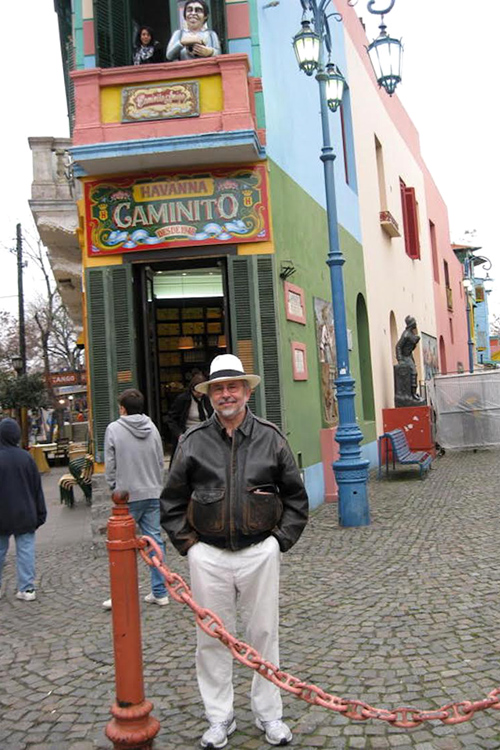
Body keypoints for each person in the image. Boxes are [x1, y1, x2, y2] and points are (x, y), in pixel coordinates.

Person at [160, 354, 308, 748]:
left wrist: (279, 542)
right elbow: (171, 502)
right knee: (211, 638)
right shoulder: (192, 443)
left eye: (233, 387)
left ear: (247, 391)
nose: (227, 394)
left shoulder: (271, 437)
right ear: (210, 395)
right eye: (219, 388)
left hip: (259, 550)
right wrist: (189, 547)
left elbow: (296, 498)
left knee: (263, 633)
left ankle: (269, 713)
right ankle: (219, 717)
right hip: (207, 554)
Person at [103, 388, 168, 609]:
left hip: (126, 495)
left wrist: (113, 486)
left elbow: (110, 464)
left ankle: (121, 593)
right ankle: (160, 591)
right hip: (151, 491)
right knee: (154, 542)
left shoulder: (113, 429)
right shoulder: (152, 428)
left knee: (121, 545)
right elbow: (160, 460)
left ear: (122, 408)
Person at [0, 418, 47, 602]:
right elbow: (37, 488)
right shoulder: (26, 458)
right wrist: (40, 512)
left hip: (2, 513)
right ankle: (27, 589)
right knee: (25, 550)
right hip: (25, 511)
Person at [164, 373, 213, 465]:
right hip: (188, 436)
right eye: (196, 392)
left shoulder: (208, 399)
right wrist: (179, 434)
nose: (199, 394)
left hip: (206, 437)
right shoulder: (182, 399)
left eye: (201, 392)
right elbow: (171, 419)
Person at [396, 315, 422, 401]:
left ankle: (413, 393)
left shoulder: (411, 334)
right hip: (405, 356)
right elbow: (398, 346)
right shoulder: (406, 335)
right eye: (415, 323)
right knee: (413, 373)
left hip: (409, 355)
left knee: (414, 373)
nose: (416, 324)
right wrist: (400, 360)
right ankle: (412, 394)